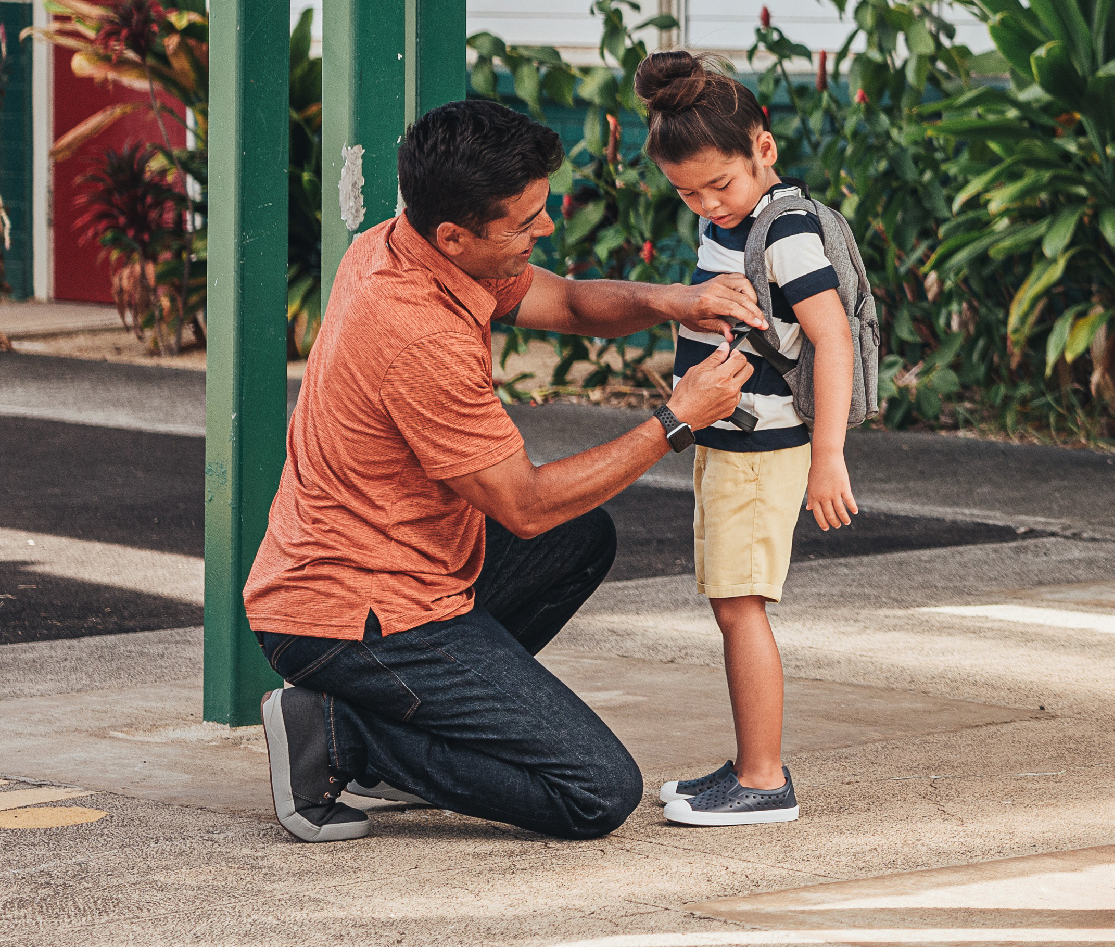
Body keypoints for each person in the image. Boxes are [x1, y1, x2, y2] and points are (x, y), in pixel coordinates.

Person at [247, 98, 761, 843]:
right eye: (524, 224)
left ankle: (393, 735)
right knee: (595, 791)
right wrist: (677, 419)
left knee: (580, 536)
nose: (545, 230)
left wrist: (676, 301)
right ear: (454, 235)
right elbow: (521, 502)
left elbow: (578, 306)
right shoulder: (413, 332)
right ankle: (341, 730)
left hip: (397, 566)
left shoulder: (402, 242)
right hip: (356, 618)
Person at [636, 52, 859, 826]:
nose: (707, 204)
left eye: (719, 185)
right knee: (732, 603)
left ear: (763, 148)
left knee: (742, 607)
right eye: (686, 192)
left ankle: (763, 781)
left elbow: (833, 340)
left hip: (765, 449)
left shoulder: (786, 231)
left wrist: (828, 455)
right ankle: (746, 764)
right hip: (728, 441)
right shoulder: (729, 218)